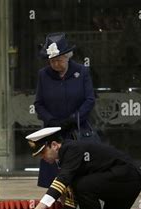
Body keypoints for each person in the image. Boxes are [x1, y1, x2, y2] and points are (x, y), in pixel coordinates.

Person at [34, 33, 97, 188]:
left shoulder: (82, 72)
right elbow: (38, 103)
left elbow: (90, 99)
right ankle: (58, 206)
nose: (55, 64)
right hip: (53, 131)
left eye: (59, 60)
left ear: (68, 56)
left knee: (81, 173)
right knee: (55, 176)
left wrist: (74, 119)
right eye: (52, 61)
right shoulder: (43, 75)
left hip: (77, 128)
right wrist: (51, 120)